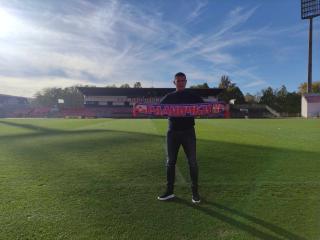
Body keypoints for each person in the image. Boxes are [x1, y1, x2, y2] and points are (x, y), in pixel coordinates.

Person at [157, 72, 204, 203]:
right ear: (174, 82)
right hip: (172, 133)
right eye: (178, 81)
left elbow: (204, 108)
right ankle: (169, 191)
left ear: (186, 81)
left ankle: (195, 193)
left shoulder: (192, 96)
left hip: (188, 131)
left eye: (183, 80)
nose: (181, 83)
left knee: (193, 162)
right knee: (170, 162)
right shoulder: (169, 97)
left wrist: (200, 113)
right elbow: (159, 110)